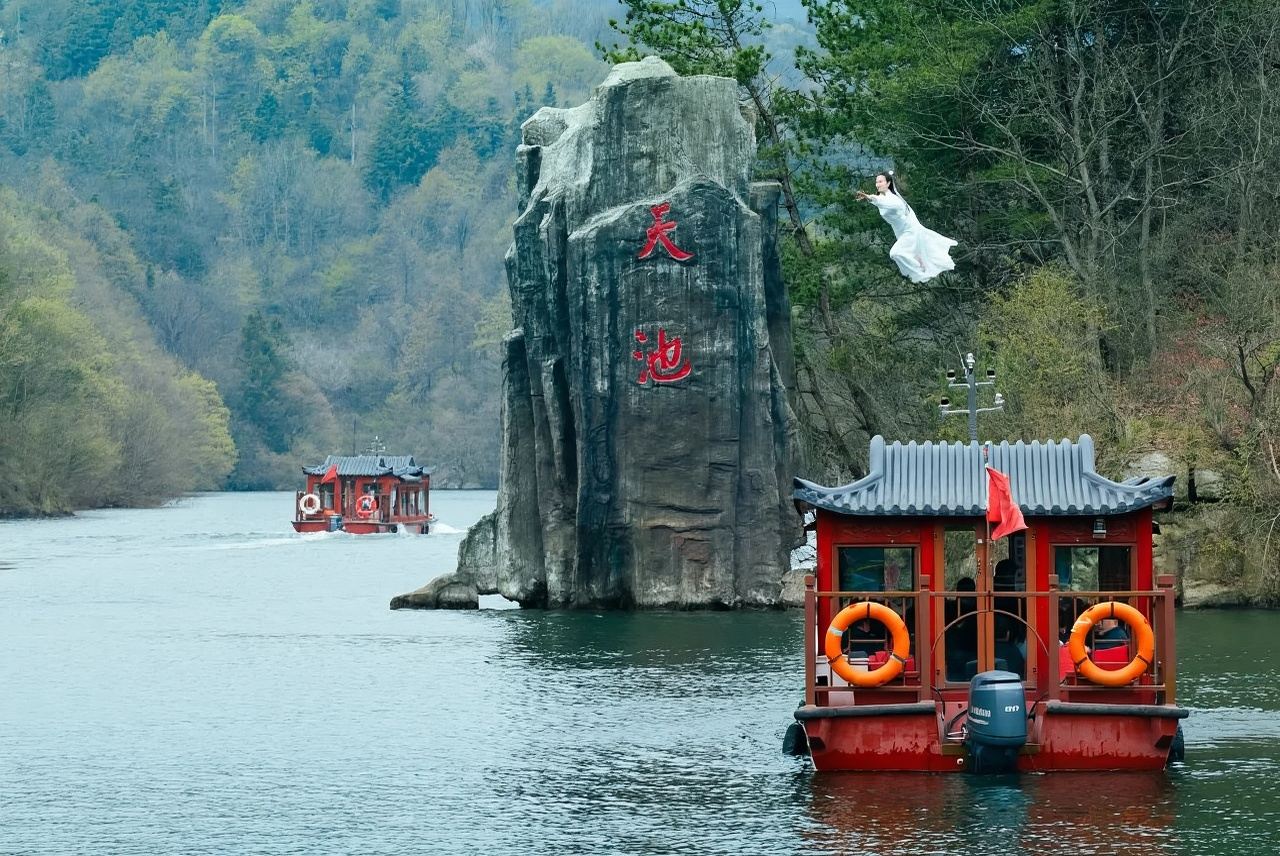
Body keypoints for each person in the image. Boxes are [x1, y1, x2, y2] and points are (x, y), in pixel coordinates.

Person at [855, 170, 957, 283]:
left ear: (888, 183)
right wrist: (869, 198)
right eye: (876, 182)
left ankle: (919, 269)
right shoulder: (883, 198)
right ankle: (919, 264)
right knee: (905, 254)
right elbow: (879, 200)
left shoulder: (894, 200)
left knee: (895, 253)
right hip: (901, 233)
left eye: (880, 181)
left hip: (910, 231)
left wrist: (869, 197)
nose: (877, 184)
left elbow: (883, 202)